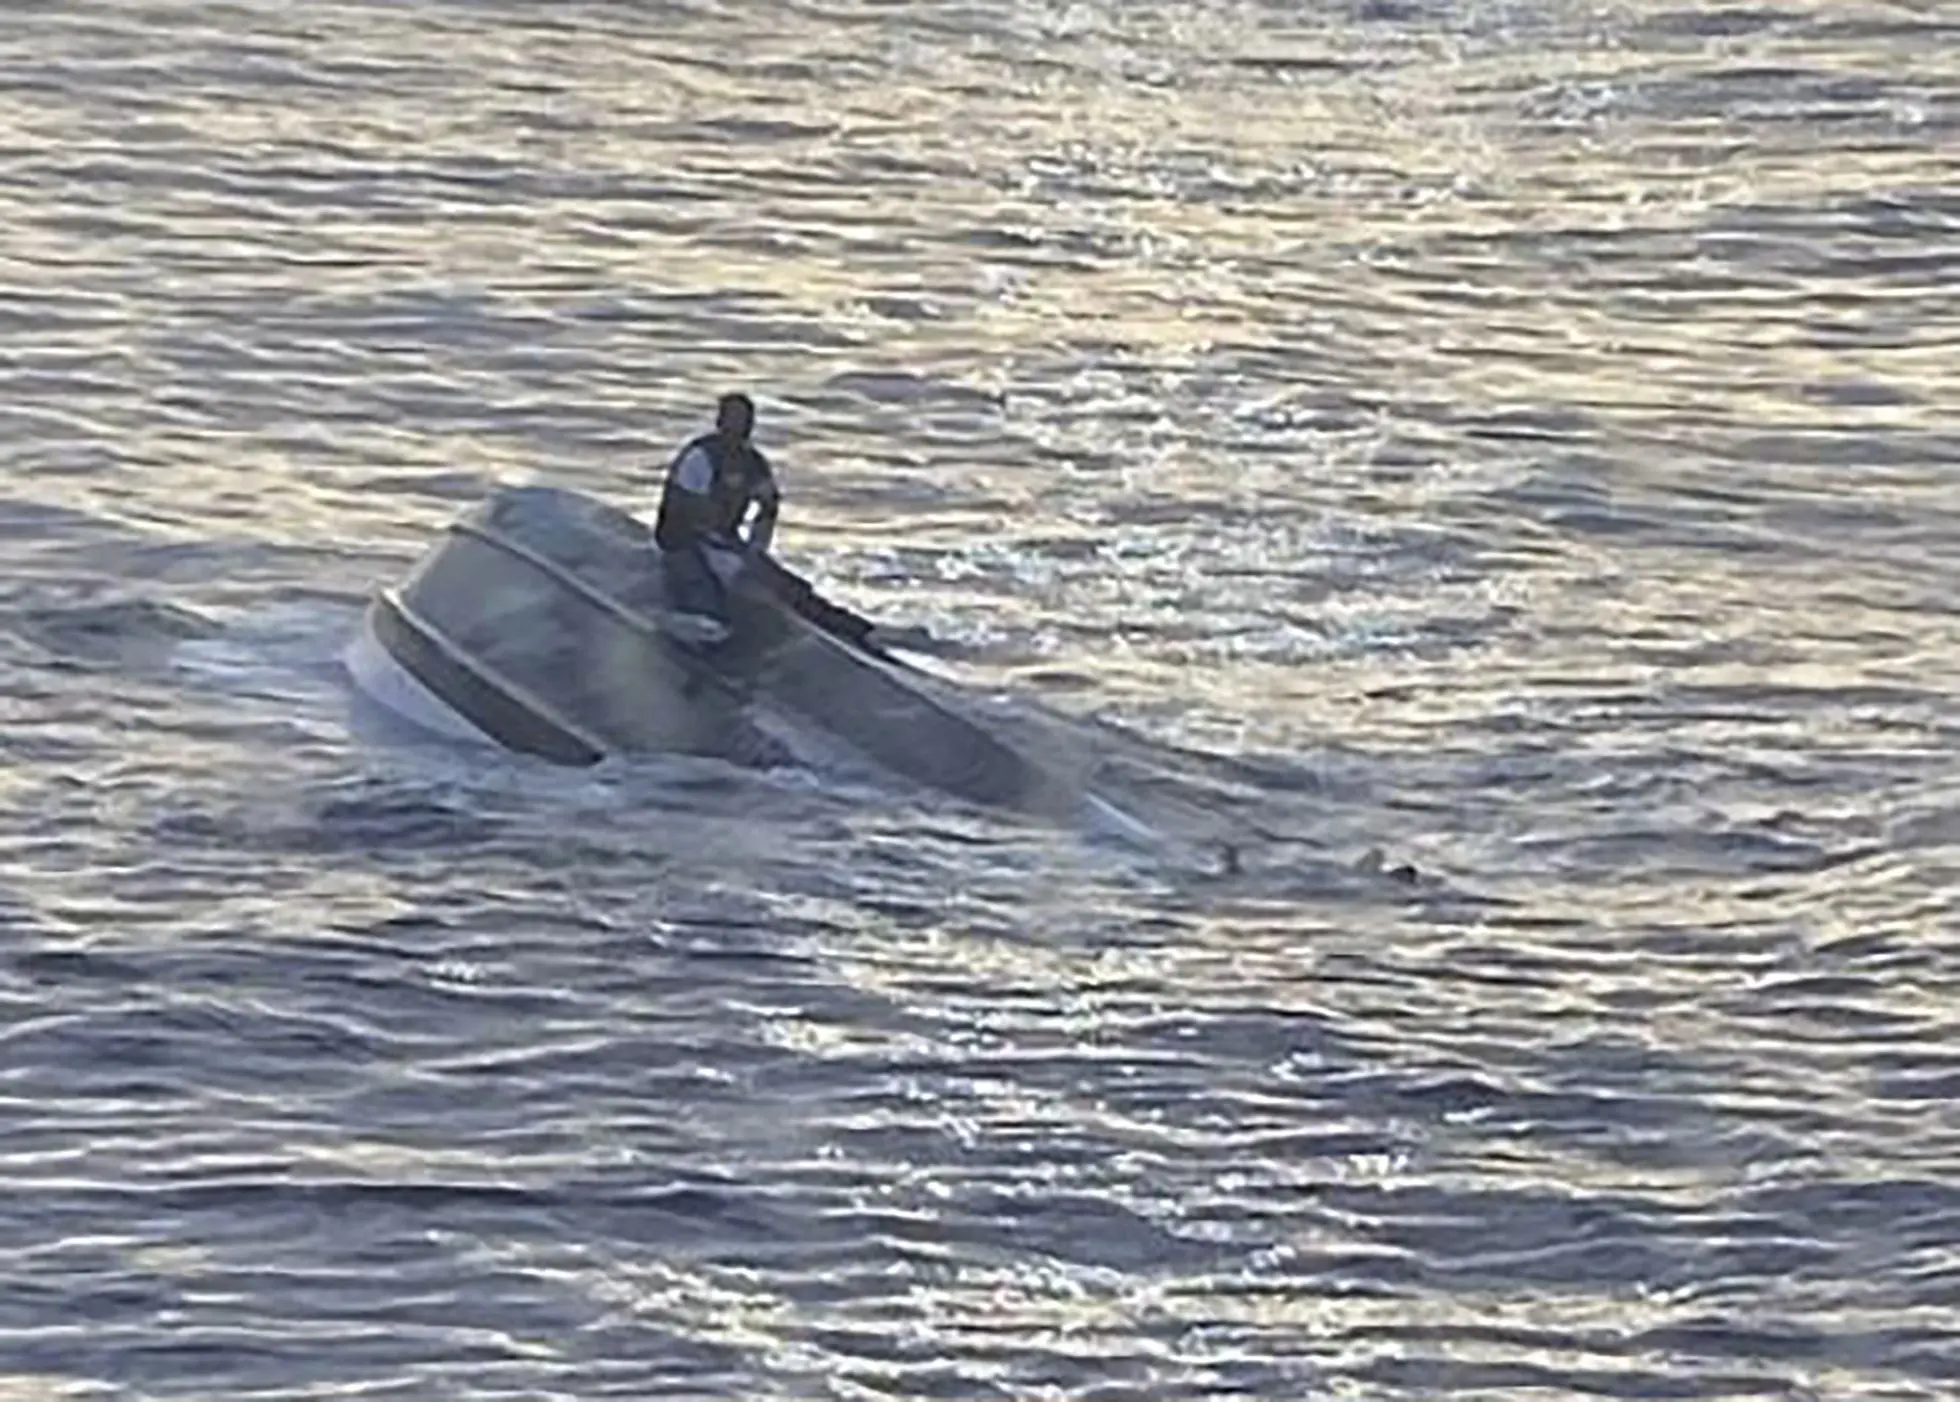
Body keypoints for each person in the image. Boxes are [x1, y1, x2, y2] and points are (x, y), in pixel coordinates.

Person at [653, 392, 926, 654]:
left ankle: (859, 630)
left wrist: (756, 548)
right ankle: (700, 625)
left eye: (745, 422)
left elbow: (768, 505)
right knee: (701, 583)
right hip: (683, 541)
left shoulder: (753, 463)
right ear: (720, 422)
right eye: (733, 421)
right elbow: (681, 504)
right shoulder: (700, 457)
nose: (739, 429)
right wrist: (719, 547)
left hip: (726, 544)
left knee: (789, 587)